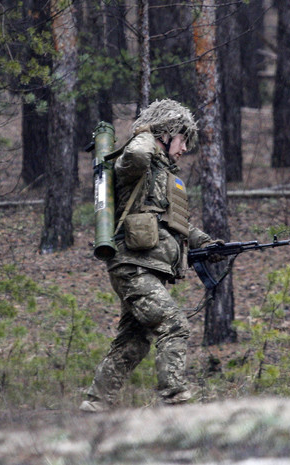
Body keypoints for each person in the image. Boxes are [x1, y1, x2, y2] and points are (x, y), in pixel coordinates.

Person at [80, 99, 221, 412]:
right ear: (168, 132)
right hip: (133, 266)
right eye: (182, 139)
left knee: (133, 341)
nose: (185, 148)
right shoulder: (138, 159)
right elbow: (136, 153)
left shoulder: (165, 176)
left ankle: (94, 405)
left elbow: (175, 224)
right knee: (174, 325)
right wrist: (148, 133)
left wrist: (206, 242)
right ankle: (175, 403)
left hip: (149, 267)